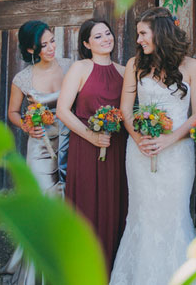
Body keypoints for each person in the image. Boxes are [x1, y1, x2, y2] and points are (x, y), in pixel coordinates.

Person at [110, 7, 196, 285]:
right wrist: (139, 139)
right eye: (138, 34)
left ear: (160, 32)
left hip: (177, 154)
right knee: (141, 214)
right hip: (140, 152)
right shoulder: (134, 65)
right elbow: (125, 111)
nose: (138, 39)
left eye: (143, 33)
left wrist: (169, 139)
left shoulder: (192, 67)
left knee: (174, 214)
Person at [2, 20, 71, 285]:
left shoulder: (69, 66)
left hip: (69, 142)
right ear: (32, 48)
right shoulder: (23, 78)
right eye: (44, 44)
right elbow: (12, 113)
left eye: (53, 40)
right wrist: (27, 127)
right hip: (41, 148)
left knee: (67, 203)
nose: (51, 47)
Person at [56, 18, 127, 275]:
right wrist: (91, 136)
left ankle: (111, 271)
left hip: (116, 147)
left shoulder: (123, 71)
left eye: (108, 33)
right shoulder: (80, 68)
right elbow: (63, 111)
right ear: (87, 43)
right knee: (86, 207)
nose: (106, 39)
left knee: (115, 207)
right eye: (98, 36)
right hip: (85, 147)